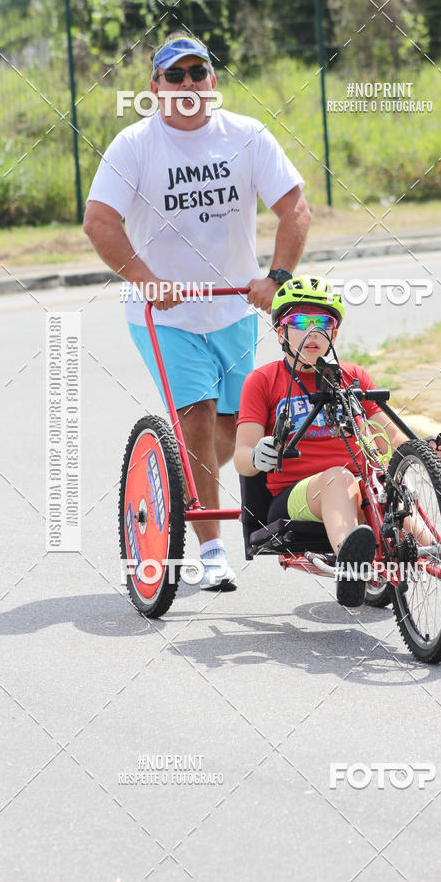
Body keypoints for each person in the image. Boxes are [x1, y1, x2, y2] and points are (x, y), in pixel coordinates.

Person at [83, 30, 311, 589]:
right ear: (155, 85)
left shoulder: (247, 136)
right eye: (175, 75)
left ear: (212, 80)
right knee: (198, 418)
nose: (188, 83)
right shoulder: (134, 145)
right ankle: (211, 551)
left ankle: (188, 481)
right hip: (166, 316)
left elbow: (295, 208)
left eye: (197, 72)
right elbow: (99, 221)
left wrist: (276, 278)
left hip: (233, 310)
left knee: (234, 430)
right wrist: (146, 280)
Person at [234, 275, 441, 607]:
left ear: (333, 335)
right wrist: (256, 455)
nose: (313, 332)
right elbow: (242, 456)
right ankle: (352, 569)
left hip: (360, 491)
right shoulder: (262, 380)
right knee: (340, 477)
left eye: (323, 324)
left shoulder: (352, 377)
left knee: (389, 494)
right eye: (301, 322)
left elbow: (389, 439)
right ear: (280, 332)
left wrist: (423, 450)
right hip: (295, 496)